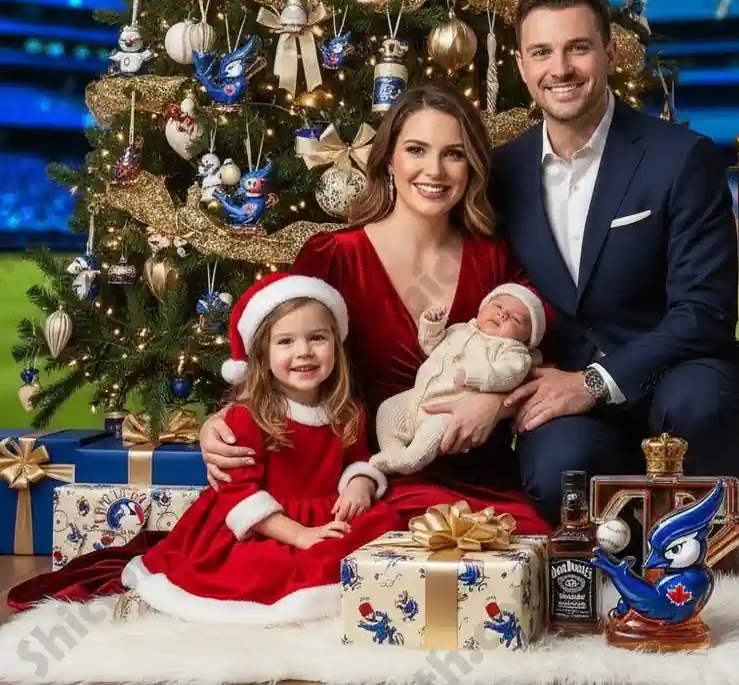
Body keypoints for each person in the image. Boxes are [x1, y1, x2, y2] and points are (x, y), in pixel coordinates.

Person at [199, 85, 551, 534]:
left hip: (484, 476)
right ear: (389, 159)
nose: (434, 171)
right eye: (416, 150)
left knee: (529, 545)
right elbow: (282, 359)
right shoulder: (333, 256)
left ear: (473, 167)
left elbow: (539, 362)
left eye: (454, 154)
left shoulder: (495, 258)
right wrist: (218, 422)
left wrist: (493, 401)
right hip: (367, 478)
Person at [492, 0, 739, 525]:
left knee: (697, 404)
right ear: (520, 66)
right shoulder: (501, 172)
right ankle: (626, 547)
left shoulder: (681, 157)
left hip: (677, 373)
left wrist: (594, 382)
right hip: (565, 386)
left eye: (577, 48)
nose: (559, 68)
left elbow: (705, 311)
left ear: (610, 53)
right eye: (541, 52)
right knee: (554, 470)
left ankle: (702, 552)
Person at [119, 272, 400, 624]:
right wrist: (299, 534)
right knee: (262, 571)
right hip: (263, 522)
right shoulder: (249, 416)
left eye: (317, 338)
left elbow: (357, 459)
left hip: (324, 510)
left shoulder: (347, 410)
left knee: (379, 528)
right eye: (285, 342)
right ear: (262, 356)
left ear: (336, 345)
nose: (304, 352)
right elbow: (238, 493)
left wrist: (361, 481)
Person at [369, 283, 545, 476]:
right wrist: (432, 325)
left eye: (516, 319)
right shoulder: (460, 329)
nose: (502, 315)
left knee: (434, 433)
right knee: (388, 409)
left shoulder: (512, 351)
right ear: (482, 308)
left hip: (451, 410)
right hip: (418, 398)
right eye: (498, 306)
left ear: (527, 340)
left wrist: (473, 375)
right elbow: (430, 346)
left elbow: (511, 374)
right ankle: (391, 452)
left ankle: (409, 460)